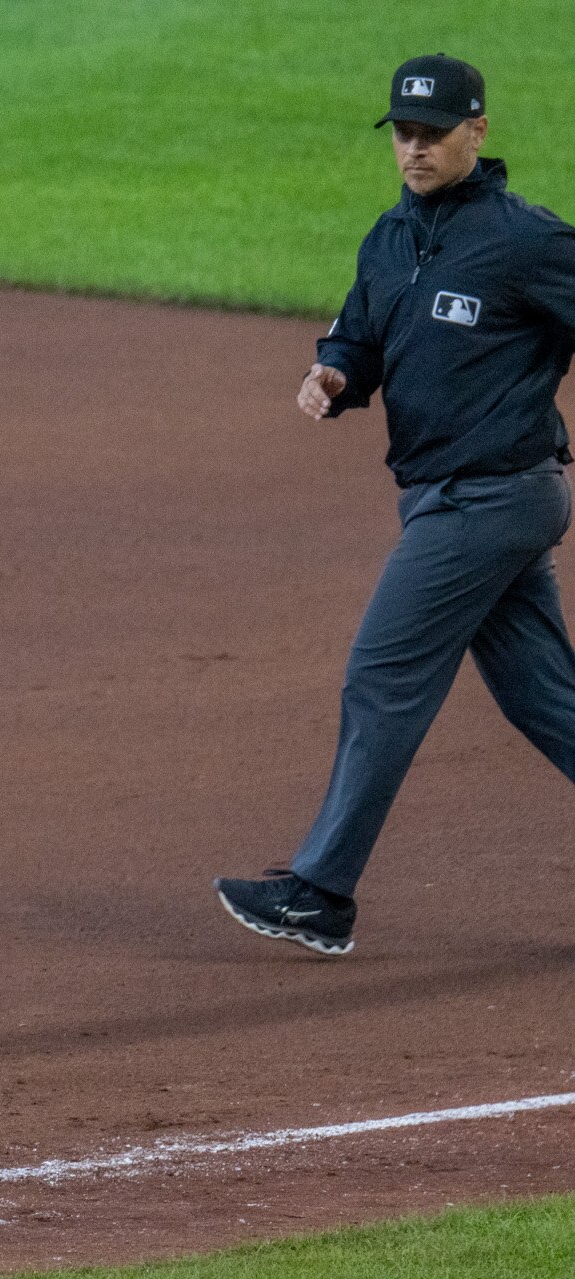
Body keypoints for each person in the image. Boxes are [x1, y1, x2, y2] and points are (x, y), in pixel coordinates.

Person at [216, 55, 575, 956]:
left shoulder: (524, 240)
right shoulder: (390, 239)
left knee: (383, 675)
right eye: (404, 134)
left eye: (433, 133)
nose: (414, 149)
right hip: (448, 501)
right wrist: (333, 372)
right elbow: (359, 335)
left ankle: (320, 893)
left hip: (490, 499)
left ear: (478, 132)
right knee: (548, 699)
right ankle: (320, 891)